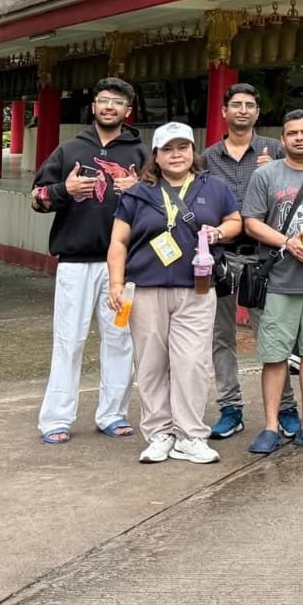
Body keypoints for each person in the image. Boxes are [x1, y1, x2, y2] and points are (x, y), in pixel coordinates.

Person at [106, 122, 242, 464]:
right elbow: (119, 242)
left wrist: (219, 232)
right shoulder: (139, 193)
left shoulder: (214, 186)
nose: (176, 154)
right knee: (151, 363)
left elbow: (235, 221)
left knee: (192, 363)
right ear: (156, 155)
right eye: (168, 149)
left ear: (193, 152)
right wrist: (116, 284)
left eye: (183, 147)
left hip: (197, 289)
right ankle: (159, 433)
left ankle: (190, 435)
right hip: (147, 289)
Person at [32, 77, 148, 446]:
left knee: (120, 340)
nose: (110, 107)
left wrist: (141, 190)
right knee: (69, 340)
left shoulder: (141, 154)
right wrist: (62, 190)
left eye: (118, 102)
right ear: (94, 106)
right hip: (75, 263)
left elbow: (165, 203)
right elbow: (37, 198)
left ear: (128, 111)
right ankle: (56, 418)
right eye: (103, 100)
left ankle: (113, 414)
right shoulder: (68, 150)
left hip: (124, 268)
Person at [238, 110, 303, 453]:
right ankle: (270, 426)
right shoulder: (266, 175)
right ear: (282, 140)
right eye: (292, 133)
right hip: (280, 282)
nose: (299, 138)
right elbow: (251, 221)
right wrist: (287, 242)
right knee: (274, 356)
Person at [203, 83, 285, 441]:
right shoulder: (206, 158)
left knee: (271, 334)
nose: (243, 110)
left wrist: (276, 170)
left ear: (257, 112)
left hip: (262, 257)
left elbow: (290, 193)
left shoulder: (276, 150)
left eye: (250, 105)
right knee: (221, 336)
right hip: (221, 254)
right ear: (224, 112)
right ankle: (230, 407)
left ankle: (285, 409)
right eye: (236, 105)